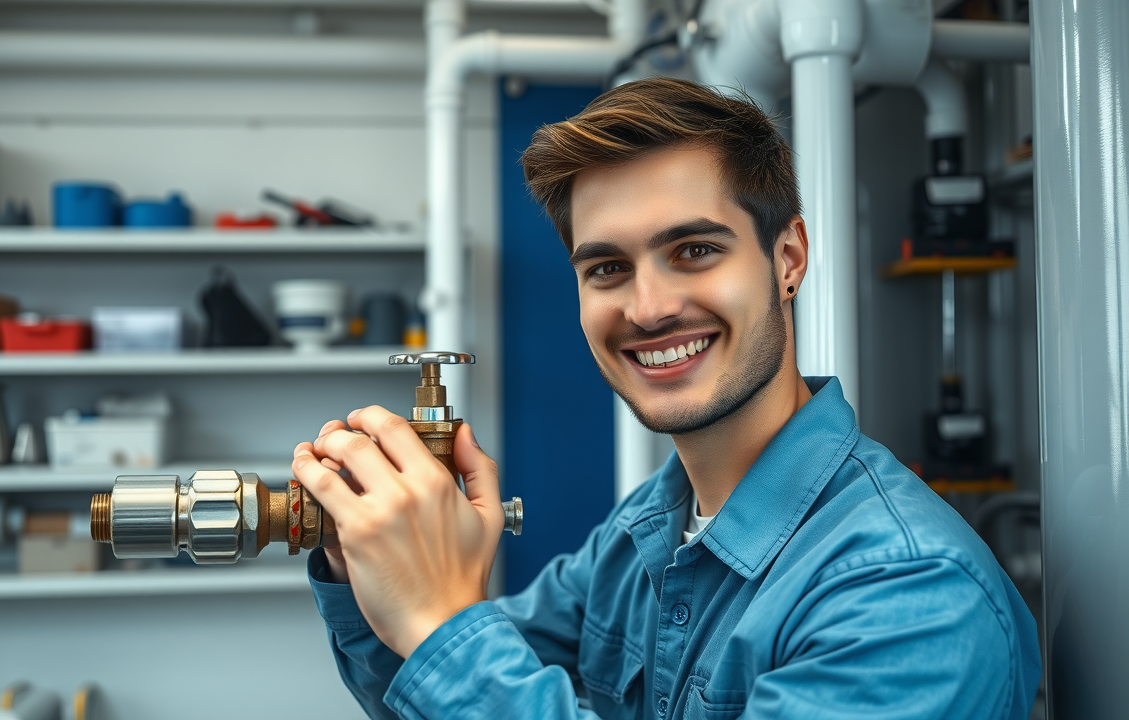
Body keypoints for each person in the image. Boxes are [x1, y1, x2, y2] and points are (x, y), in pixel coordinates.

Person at [290, 77, 1041, 720]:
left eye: (694, 251)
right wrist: (367, 560)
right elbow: (428, 689)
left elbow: (454, 662)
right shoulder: (644, 532)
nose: (647, 308)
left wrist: (439, 620)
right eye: (608, 268)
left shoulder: (908, 597)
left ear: (788, 259)